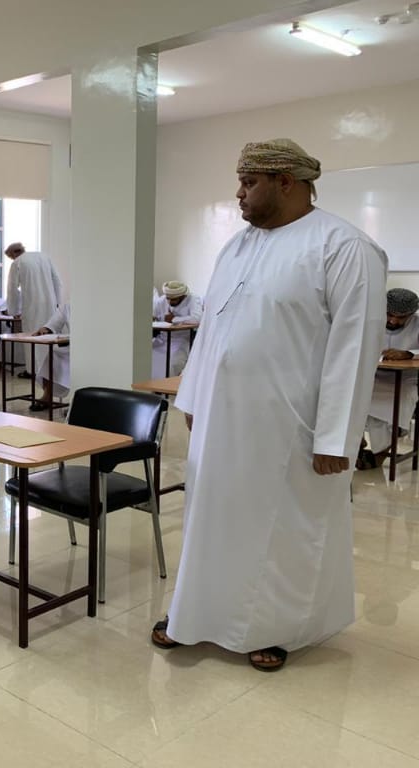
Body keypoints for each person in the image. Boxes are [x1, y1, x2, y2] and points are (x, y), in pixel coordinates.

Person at [152, 139, 386, 672]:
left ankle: (277, 628)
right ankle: (197, 613)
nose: (239, 193)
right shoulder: (237, 246)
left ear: (287, 182)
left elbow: (355, 347)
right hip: (222, 421)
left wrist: (335, 437)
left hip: (289, 428)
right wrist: (194, 393)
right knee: (212, 521)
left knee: (281, 532)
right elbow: (213, 328)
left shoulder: (344, 247)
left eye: (249, 182)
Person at [357, 288, 419, 470]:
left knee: (399, 401)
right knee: (351, 397)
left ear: (411, 314)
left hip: (405, 380)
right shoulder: (369, 321)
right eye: (389, 315)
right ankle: (356, 441)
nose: (393, 321)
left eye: (401, 317)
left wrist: (409, 353)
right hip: (372, 377)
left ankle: (379, 455)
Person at [4, 242, 64, 379]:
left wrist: (13, 311)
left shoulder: (18, 263)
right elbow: (57, 281)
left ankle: (32, 371)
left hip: (32, 306)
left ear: (13, 254)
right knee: (49, 338)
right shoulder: (44, 257)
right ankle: (50, 370)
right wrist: (58, 304)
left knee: (31, 338)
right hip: (50, 304)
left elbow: (12, 289)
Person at [151, 280, 203, 378]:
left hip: (181, 341)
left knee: (172, 362)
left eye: (174, 299)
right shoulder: (162, 300)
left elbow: (197, 319)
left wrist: (174, 319)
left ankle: (165, 387)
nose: (170, 302)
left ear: (183, 296)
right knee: (146, 356)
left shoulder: (193, 299)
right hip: (162, 339)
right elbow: (154, 315)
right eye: (168, 299)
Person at [30, 302, 70, 411]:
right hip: (72, 345)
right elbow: (55, 321)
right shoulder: (68, 305)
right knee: (53, 355)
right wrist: (46, 328)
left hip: (91, 347)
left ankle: (78, 402)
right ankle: (47, 396)